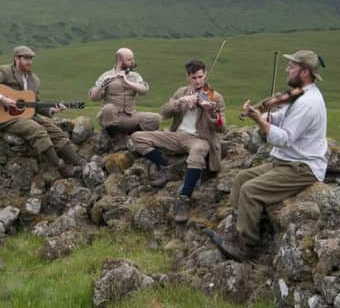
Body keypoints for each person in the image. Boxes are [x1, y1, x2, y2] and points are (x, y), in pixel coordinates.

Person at [205, 50, 327, 261]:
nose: (287, 69)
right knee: (241, 178)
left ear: (305, 72)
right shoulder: (301, 95)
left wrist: (260, 122)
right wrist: (264, 115)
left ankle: (246, 246)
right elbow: (283, 118)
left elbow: (285, 138)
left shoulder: (309, 102)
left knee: (251, 191)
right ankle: (235, 229)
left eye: (292, 66)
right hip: (286, 161)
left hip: (302, 167)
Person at [131, 59, 226, 223]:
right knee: (137, 137)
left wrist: (211, 112)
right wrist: (179, 102)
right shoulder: (181, 92)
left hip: (200, 138)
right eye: (194, 78)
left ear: (205, 75)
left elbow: (221, 128)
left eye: (200, 77)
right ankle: (168, 168)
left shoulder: (214, 97)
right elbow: (164, 112)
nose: (198, 81)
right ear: (187, 77)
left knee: (197, 152)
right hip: (177, 135)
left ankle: (184, 198)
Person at [0, 45, 83, 178]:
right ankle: (61, 168)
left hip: (29, 115)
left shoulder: (34, 80)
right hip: (7, 117)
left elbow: (35, 105)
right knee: (37, 130)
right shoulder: (6, 72)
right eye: (26, 58)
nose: (29, 62)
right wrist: (2, 99)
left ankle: (81, 162)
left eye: (30, 58)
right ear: (16, 59)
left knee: (56, 132)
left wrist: (51, 110)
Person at [89, 48, 160, 145]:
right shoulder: (106, 75)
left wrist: (127, 81)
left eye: (133, 59)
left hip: (129, 117)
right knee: (108, 108)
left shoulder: (135, 76)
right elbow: (93, 98)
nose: (133, 62)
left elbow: (144, 91)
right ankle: (118, 140)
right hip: (110, 116)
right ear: (120, 61)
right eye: (129, 60)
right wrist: (103, 85)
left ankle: (133, 137)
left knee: (155, 118)